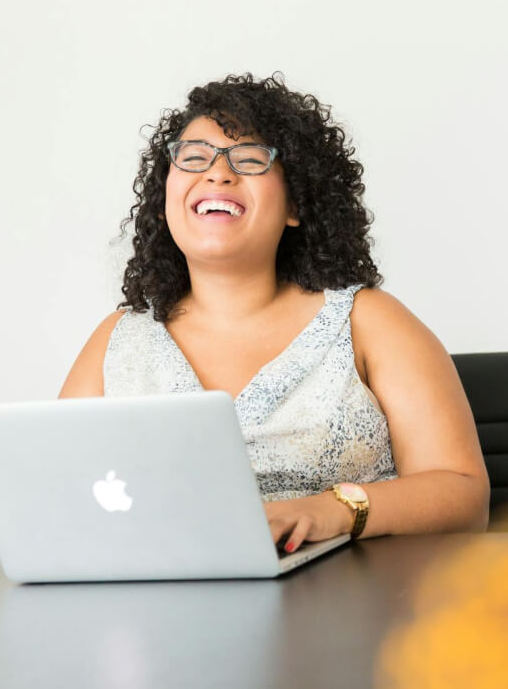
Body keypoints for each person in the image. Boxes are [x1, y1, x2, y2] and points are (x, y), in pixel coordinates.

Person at [58, 71, 490, 553]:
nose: (217, 173)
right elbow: (50, 497)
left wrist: (330, 510)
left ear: (295, 205)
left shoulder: (370, 321)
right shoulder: (118, 340)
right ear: (164, 202)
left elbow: (464, 494)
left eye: (249, 160)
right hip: (162, 610)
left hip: (353, 607)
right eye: (194, 157)